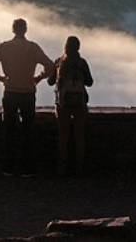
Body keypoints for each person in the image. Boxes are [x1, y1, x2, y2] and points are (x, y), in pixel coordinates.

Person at [0, 18, 54, 177]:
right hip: (28, 92)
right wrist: (38, 78)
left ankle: (9, 167)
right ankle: (28, 168)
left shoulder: (4, 47)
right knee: (28, 130)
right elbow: (50, 66)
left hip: (10, 92)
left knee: (9, 130)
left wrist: (0, 78)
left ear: (13, 30)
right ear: (25, 30)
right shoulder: (33, 48)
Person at [48, 35, 93, 176]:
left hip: (63, 104)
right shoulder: (82, 63)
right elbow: (89, 82)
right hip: (80, 104)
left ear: (65, 47)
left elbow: (50, 82)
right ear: (78, 47)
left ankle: (62, 168)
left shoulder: (59, 62)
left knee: (63, 136)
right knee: (79, 135)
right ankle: (79, 167)